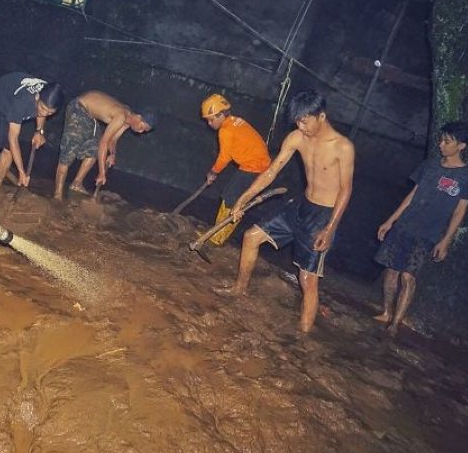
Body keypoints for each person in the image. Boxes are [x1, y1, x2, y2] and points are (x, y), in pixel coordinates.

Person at [215, 90, 355, 333]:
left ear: (321, 116)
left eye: (305, 121)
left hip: (323, 215)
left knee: (307, 279)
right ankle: (240, 288)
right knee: (251, 237)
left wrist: (330, 229)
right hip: (301, 205)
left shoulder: (342, 147)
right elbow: (272, 171)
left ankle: (303, 335)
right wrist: (244, 197)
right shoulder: (297, 137)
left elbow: (345, 190)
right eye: (297, 121)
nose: (301, 126)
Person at [373, 121, 468, 336]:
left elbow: (460, 212)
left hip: (428, 234)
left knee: (408, 276)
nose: (441, 145)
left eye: (447, 142)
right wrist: (391, 220)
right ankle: (386, 313)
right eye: (441, 140)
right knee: (391, 270)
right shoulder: (430, 165)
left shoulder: (465, 176)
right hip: (406, 224)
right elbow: (413, 194)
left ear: (461, 146)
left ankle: (397, 323)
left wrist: (445, 241)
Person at [0, 73, 63, 200]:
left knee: (9, 151)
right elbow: (13, 138)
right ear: (37, 97)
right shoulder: (23, 102)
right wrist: (21, 171)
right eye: (43, 108)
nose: (44, 113)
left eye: (50, 113)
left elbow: (42, 113)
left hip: (10, 102)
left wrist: (39, 131)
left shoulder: (48, 94)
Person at [53, 90, 156, 200]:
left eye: (143, 131)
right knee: (70, 148)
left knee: (94, 147)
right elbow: (104, 142)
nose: (140, 132)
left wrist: (112, 154)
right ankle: (57, 194)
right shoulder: (121, 116)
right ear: (139, 117)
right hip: (78, 107)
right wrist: (102, 172)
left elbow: (112, 140)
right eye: (142, 127)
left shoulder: (127, 120)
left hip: (89, 116)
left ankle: (76, 183)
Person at [200, 93, 270, 245]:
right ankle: (216, 233)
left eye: (211, 119)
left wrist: (213, 172)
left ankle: (217, 239)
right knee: (228, 197)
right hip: (255, 165)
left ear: (220, 115)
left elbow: (225, 157)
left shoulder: (226, 130)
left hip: (254, 167)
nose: (209, 124)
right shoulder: (235, 121)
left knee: (232, 201)